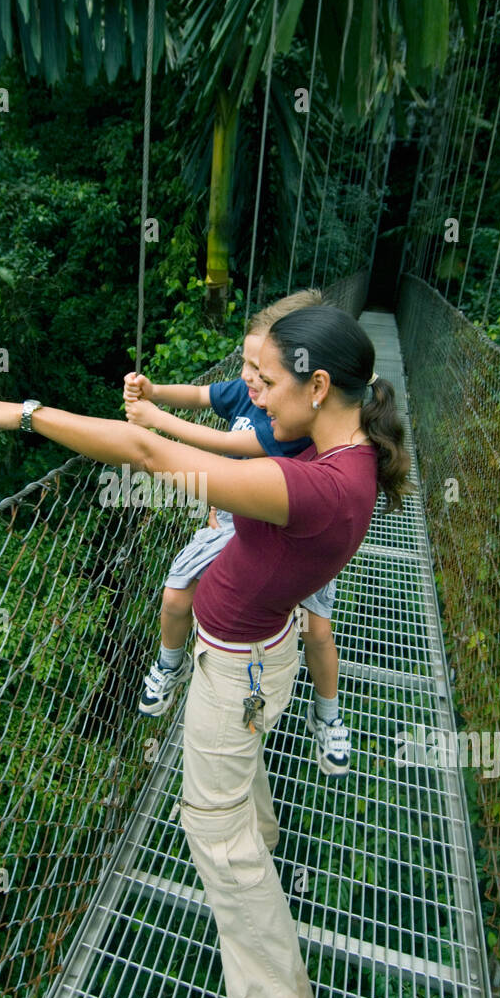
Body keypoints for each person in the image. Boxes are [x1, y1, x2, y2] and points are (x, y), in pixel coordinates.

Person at [0, 299, 412, 998]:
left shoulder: (318, 487)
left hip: (241, 668)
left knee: (213, 837)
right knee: (235, 788)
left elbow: (150, 459)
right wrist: (160, 412)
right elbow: (203, 438)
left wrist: (24, 412)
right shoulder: (332, 446)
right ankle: (261, 831)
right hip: (256, 655)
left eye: (262, 378)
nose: (249, 389)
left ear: (317, 384)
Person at [124, 290, 353, 776]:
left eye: (261, 369)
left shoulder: (285, 419)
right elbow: (203, 396)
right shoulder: (249, 390)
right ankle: (169, 663)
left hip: (289, 529)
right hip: (232, 521)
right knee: (174, 597)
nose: (249, 378)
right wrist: (156, 389)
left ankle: (328, 715)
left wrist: (155, 423)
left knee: (318, 630)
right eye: (248, 363)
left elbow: (228, 442)